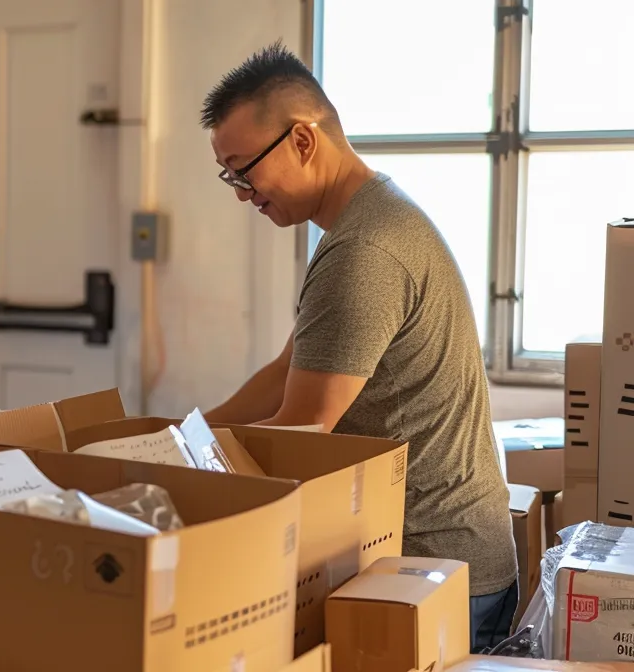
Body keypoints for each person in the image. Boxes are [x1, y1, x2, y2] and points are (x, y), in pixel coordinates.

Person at [198, 43, 516, 651]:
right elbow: (287, 371)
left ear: (302, 140)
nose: (241, 192)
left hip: (429, 567)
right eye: (229, 175)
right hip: (433, 560)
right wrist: (184, 436)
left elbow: (304, 429)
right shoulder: (364, 220)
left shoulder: (364, 250)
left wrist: (192, 469)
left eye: (244, 170)